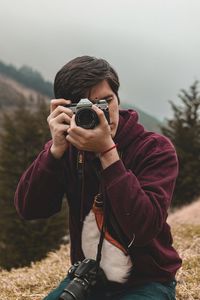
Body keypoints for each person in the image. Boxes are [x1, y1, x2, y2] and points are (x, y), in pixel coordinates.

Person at [14, 55, 182, 300]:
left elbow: (144, 227)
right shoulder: (68, 149)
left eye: (106, 101)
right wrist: (54, 152)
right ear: (67, 109)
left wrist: (107, 153)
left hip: (147, 280)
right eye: (87, 107)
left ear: (118, 98)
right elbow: (30, 209)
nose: (101, 113)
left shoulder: (154, 149)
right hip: (87, 278)